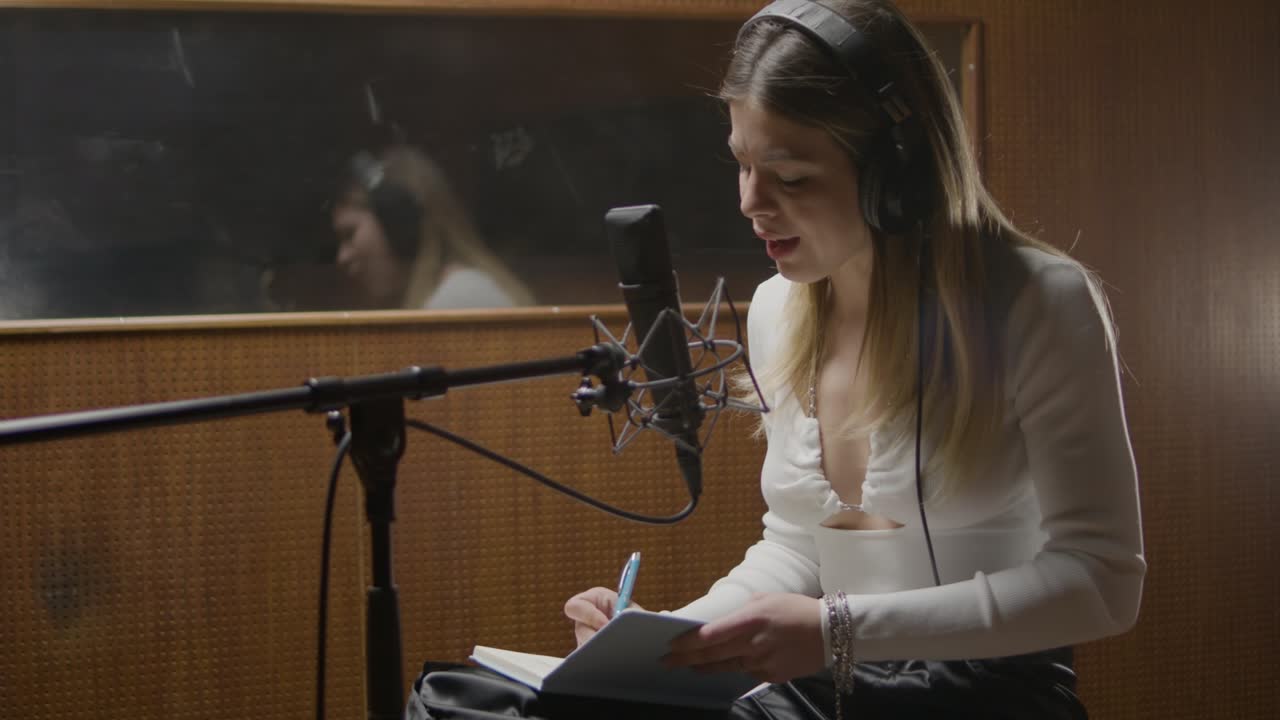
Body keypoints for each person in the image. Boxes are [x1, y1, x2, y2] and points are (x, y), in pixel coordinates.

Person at [408, 1, 1144, 717]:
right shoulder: (778, 311)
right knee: (467, 702)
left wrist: (835, 632)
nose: (751, 203)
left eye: (790, 178)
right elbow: (796, 547)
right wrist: (664, 638)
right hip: (825, 686)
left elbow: (1102, 582)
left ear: (899, 176)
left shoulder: (1038, 303)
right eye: (742, 166)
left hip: (987, 696)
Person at [332, 144, 535, 310]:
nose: (343, 257)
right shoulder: (444, 294)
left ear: (400, 226)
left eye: (350, 234)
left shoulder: (458, 299)